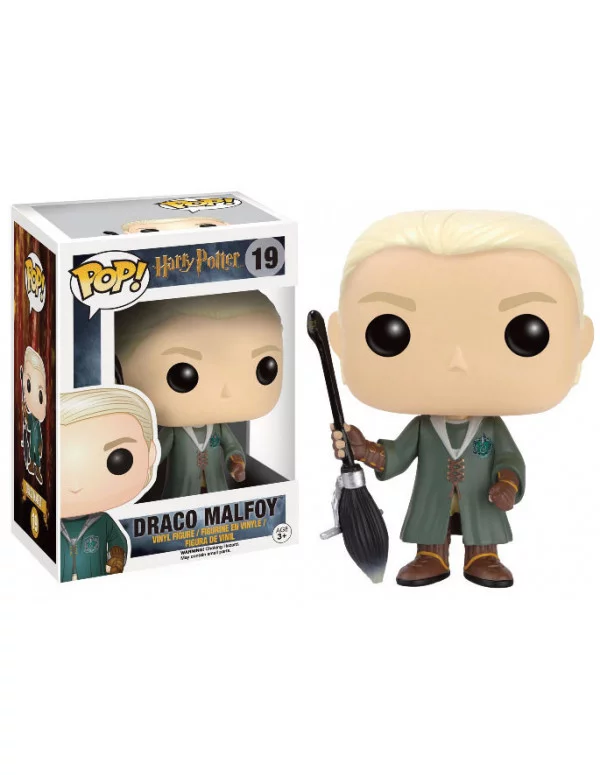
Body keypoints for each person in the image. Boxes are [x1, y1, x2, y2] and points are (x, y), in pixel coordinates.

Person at [328, 211, 593, 588]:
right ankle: (430, 554)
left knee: (482, 524)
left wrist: (507, 483)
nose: (457, 360)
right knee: (430, 523)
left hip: (481, 500)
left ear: (581, 343)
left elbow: (509, 459)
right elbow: (397, 456)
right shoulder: (424, 428)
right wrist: (366, 450)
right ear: (340, 339)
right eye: (389, 332)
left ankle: (483, 554)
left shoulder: (491, 428)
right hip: (434, 498)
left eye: (526, 333)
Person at [116, 291, 283, 498]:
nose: (226, 391)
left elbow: (232, 446)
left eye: (265, 368)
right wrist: (141, 469)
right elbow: (157, 453)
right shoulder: (174, 432)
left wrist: (236, 462)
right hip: (182, 493)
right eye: (182, 376)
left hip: (216, 488)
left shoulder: (219, 428)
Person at [60, 387, 158, 582]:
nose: (76, 486)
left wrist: (116, 558)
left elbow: (117, 542)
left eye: (118, 460)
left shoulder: (102, 521)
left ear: (150, 455)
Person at [21, 346, 46, 485]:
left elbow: (34, 430)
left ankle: (36, 466)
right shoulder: (32, 418)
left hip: (36, 437)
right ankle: (33, 465)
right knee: (33, 448)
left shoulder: (37, 420)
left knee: (35, 447)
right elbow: (29, 426)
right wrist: (25, 413)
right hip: (33, 438)